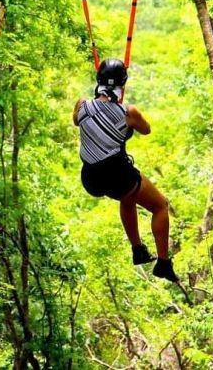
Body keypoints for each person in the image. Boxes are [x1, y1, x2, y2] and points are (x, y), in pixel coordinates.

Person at [73, 58, 179, 282]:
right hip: (117, 176)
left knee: (128, 197)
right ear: (123, 83)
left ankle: (138, 250)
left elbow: (77, 120)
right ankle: (163, 263)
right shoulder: (128, 112)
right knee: (160, 205)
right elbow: (146, 130)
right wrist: (122, 108)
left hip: (91, 178)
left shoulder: (82, 105)